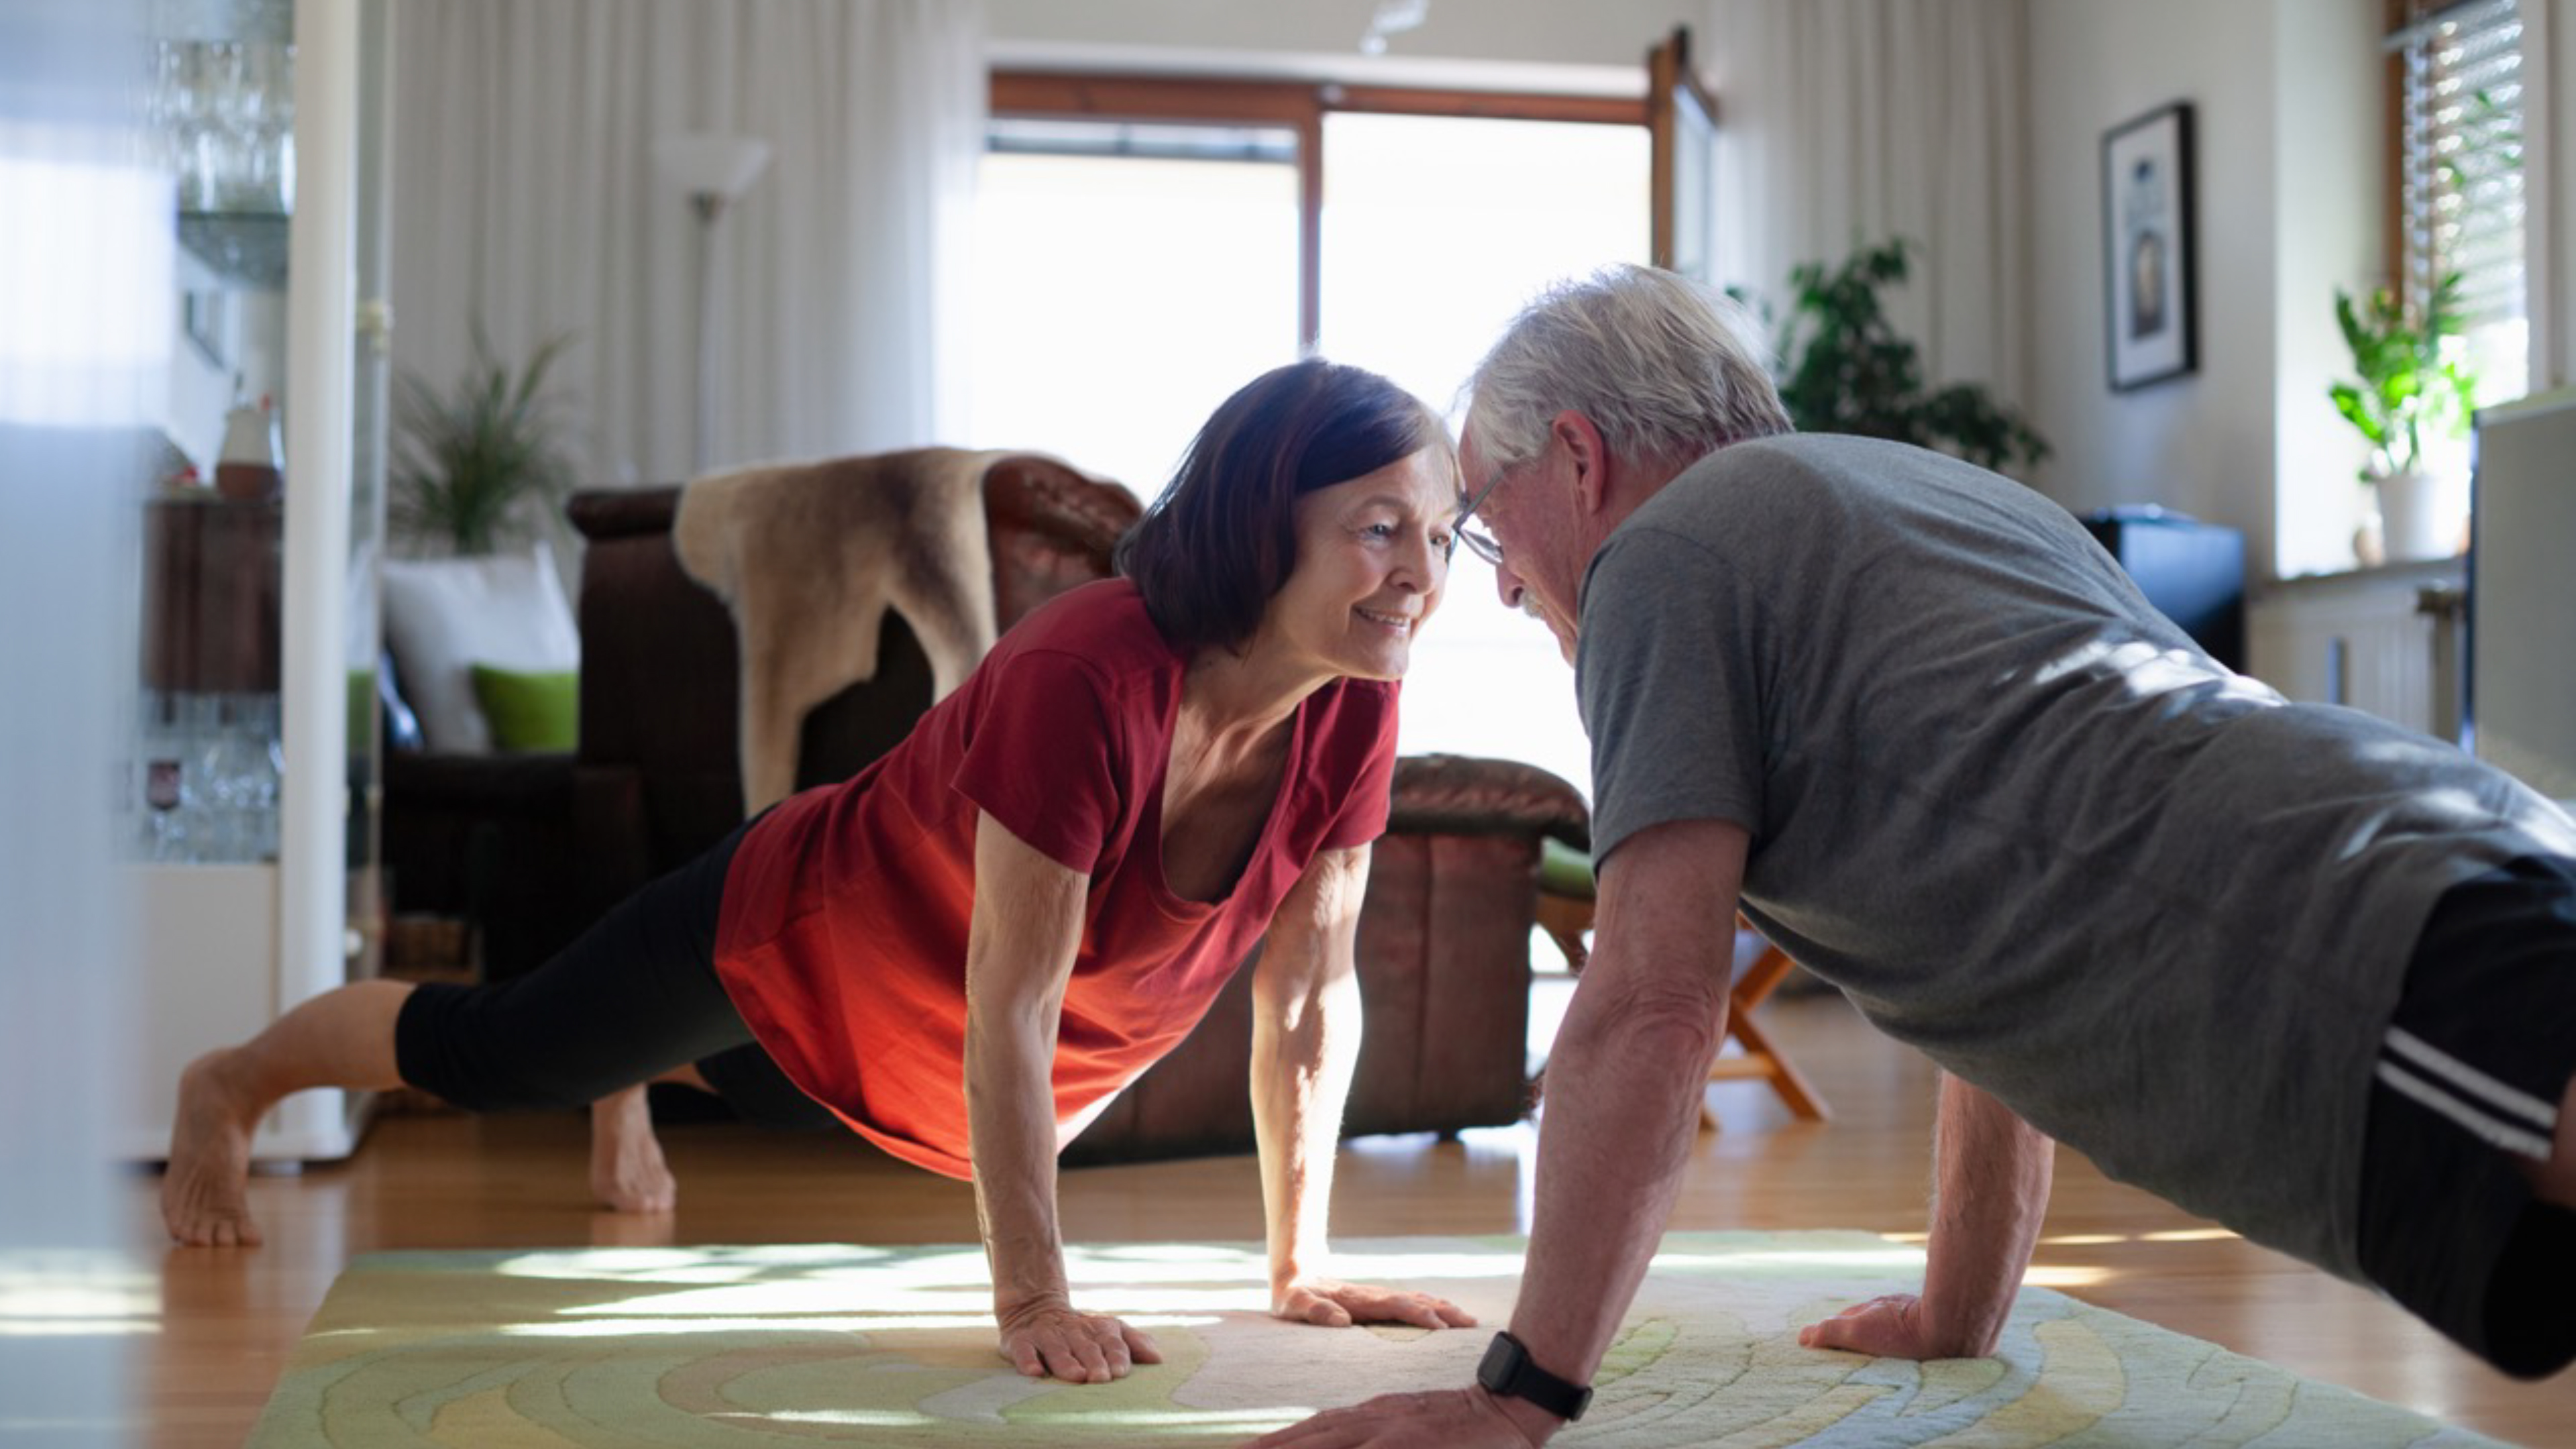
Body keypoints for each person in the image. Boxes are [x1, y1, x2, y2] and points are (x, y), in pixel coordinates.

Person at [1253, 266, 2576, 1447]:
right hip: (2418, 851)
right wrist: (1959, 1310)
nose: (1490, 579)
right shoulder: (1936, 498)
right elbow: (1977, 944)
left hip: (2344, 939)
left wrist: (1515, 1396)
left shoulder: (1663, 558)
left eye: (1486, 518)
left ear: (1581, 458)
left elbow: (1652, 1003)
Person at [162, 357, 1482, 1383]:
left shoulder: (1354, 703)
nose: (1423, 575)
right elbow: (1010, 1004)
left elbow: (1308, 1000)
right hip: (793, 938)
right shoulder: (1089, 674)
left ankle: (636, 1072)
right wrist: (1034, 1300)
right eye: (1381, 529)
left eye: (1444, 535)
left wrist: (1301, 1264)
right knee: (503, 1052)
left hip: (902, 1070)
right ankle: (230, 1083)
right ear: (1263, 523)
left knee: (751, 1091)